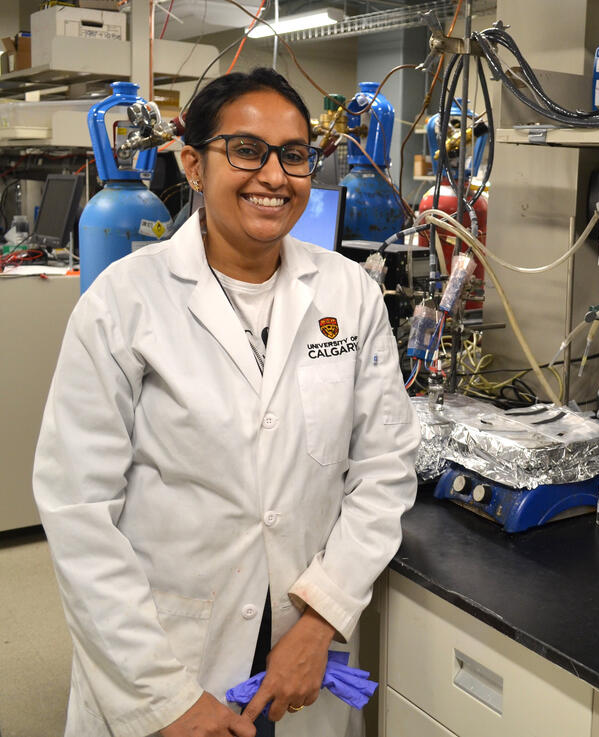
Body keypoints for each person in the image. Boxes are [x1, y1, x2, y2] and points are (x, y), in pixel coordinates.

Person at [33, 68, 419, 737]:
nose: (274, 175)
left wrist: (321, 620)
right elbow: (78, 513)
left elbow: (386, 467)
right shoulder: (124, 302)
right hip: (167, 661)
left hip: (297, 660)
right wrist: (162, 699)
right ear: (193, 163)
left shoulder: (348, 294)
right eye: (246, 150)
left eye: (294, 155)